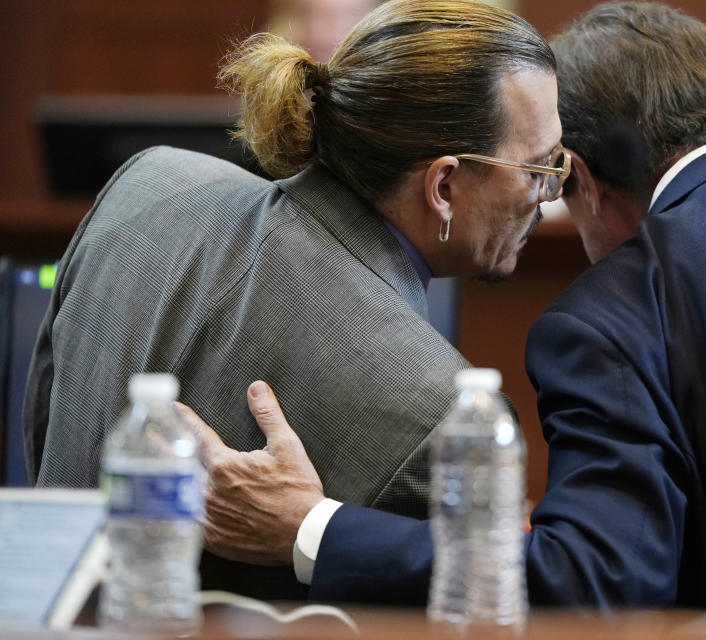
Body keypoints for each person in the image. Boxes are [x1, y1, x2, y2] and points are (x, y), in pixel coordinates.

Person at [183, 1, 706, 607]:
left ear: (582, 178)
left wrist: (312, 527)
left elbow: (594, 578)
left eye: (551, 178)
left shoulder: (609, 318)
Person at [22, 0, 567, 599]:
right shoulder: (439, 415)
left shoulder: (145, 183)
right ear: (443, 186)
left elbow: (42, 420)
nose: (546, 196)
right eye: (538, 170)